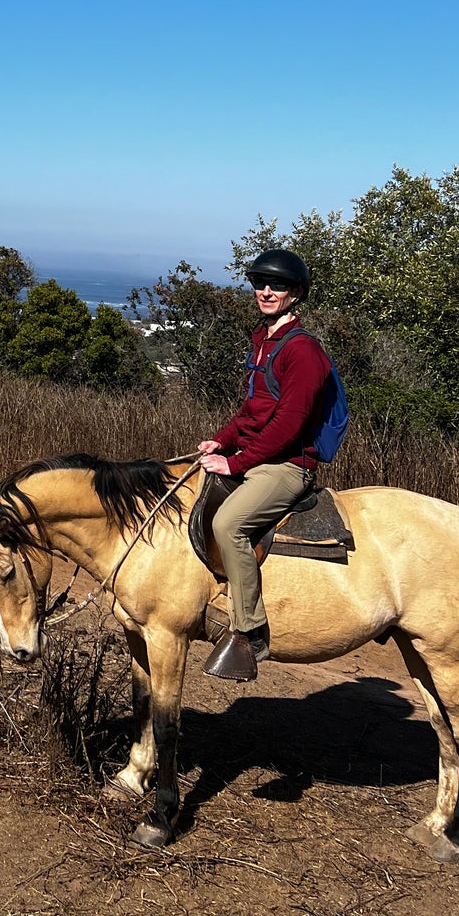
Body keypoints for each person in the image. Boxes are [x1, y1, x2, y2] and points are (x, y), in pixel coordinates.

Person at [197, 248, 334, 679]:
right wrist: (220, 441)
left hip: (287, 465)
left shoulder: (304, 351)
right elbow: (251, 413)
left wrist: (236, 464)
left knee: (228, 525)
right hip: (256, 457)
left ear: (295, 294)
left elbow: (289, 424)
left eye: (277, 285)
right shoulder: (263, 341)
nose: (266, 291)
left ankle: (250, 633)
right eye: (260, 284)